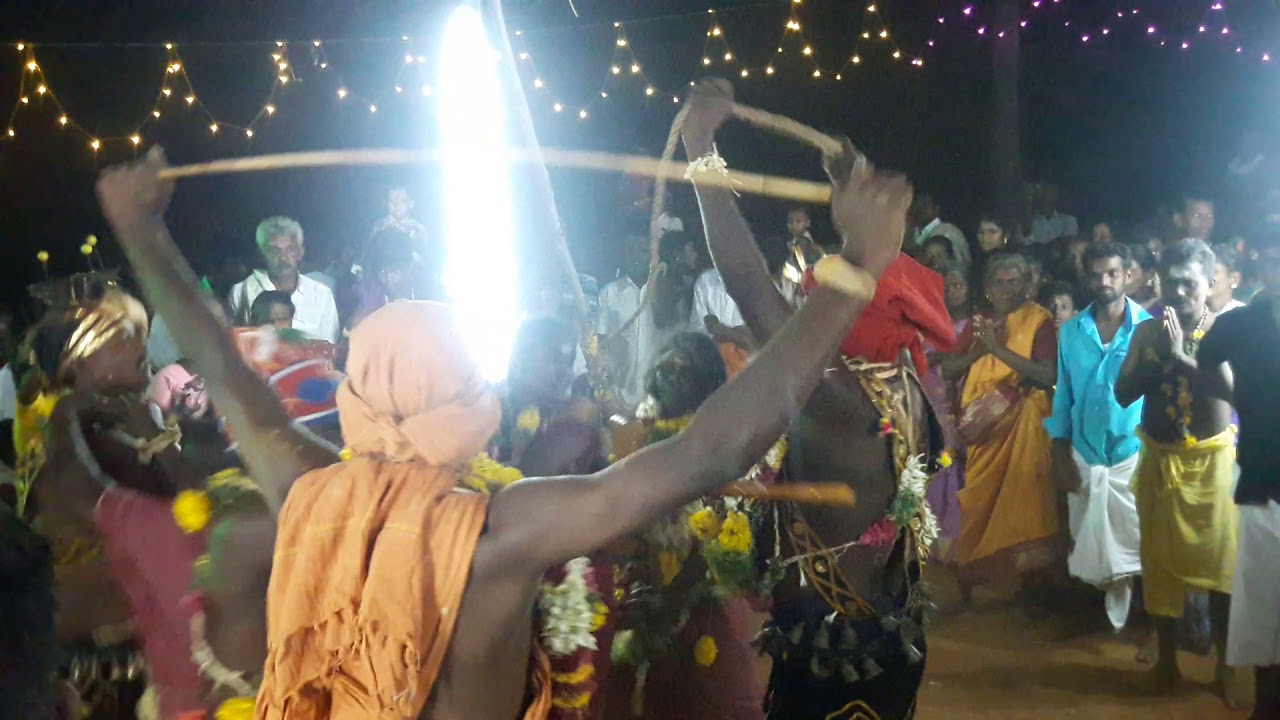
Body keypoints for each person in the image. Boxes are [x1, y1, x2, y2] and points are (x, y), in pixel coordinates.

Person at [96, 91, 908, 720]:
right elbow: (710, 452)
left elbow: (226, 372)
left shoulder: (304, 489)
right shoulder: (500, 533)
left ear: (358, 398)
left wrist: (141, 232)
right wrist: (857, 266)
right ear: (468, 401)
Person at [684, 80, 948, 720]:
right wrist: (854, 192)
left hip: (836, 659)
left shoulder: (839, 403)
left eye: (821, 298)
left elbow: (749, 286)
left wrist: (699, 151)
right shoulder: (903, 384)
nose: (810, 307)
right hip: (887, 638)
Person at [602, 331, 764, 720]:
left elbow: (722, 534)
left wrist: (672, 599)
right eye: (667, 368)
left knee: (704, 697)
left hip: (704, 594)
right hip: (649, 586)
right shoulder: (642, 431)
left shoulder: (721, 441)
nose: (671, 377)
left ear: (707, 385)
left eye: (684, 372)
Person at [1115, 239, 1242, 701]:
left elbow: (1232, 393)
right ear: (1159, 283)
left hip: (1210, 467)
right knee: (1160, 566)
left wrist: (1182, 357)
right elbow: (1123, 394)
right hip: (1161, 462)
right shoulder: (1147, 333)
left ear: (1210, 283)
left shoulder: (1223, 331)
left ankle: (1225, 667)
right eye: (1172, 283)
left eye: (1190, 283)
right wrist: (1157, 361)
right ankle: (1167, 662)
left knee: (1220, 571)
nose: (1180, 292)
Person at [942, 253, 1059, 603]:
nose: (1006, 289)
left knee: (1025, 501)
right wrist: (980, 351)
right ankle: (975, 579)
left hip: (1022, 419)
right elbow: (948, 369)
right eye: (999, 283)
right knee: (979, 501)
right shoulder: (980, 322)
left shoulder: (1039, 319)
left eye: (1014, 282)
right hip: (983, 424)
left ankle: (1030, 590)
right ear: (988, 289)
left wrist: (998, 349)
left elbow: (1047, 374)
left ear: (1027, 286)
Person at [1046, 243, 1149, 631]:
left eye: (1112, 273)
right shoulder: (1072, 331)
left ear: (1127, 276)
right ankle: (1091, 619)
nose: (1104, 281)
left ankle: (1141, 622)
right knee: (1085, 536)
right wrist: (1059, 450)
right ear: (1086, 277)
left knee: (1136, 537)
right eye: (1096, 274)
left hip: (1132, 452)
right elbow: (1064, 394)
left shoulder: (1147, 328)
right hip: (1084, 451)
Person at [1198, 235, 1280, 720]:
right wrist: (1238, 401)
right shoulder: (1242, 324)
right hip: (1264, 486)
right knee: (1265, 608)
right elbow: (1206, 359)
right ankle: (1267, 706)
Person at [227, 216, 340, 342]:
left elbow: (330, 344)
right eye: (274, 251)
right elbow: (234, 343)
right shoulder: (242, 291)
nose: (283, 257)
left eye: (290, 249)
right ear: (261, 254)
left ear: (300, 252)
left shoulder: (321, 294)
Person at [689, 264, 752, 378]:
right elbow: (697, 336)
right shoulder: (705, 282)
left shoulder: (759, 285)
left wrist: (720, 330)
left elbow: (760, 340)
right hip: (713, 373)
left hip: (754, 371)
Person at [349, 227, 419, 328]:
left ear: (410, 266)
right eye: (382, 272)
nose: (387, 278)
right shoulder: (372, 302)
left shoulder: (427, 302)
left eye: (395, 271)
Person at [910, 192, 970, 266]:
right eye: (917, 204)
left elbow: (958, 266)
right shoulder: (910, 233)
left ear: (936, 209)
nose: (920, 209)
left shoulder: (949, 232)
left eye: (925, 205)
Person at [1208, 242, 1246, 315]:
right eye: (1203, 271)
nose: (1205, 277)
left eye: (1213, 272)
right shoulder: (1188, 312)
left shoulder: (1243, 316)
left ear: (1234, 279)